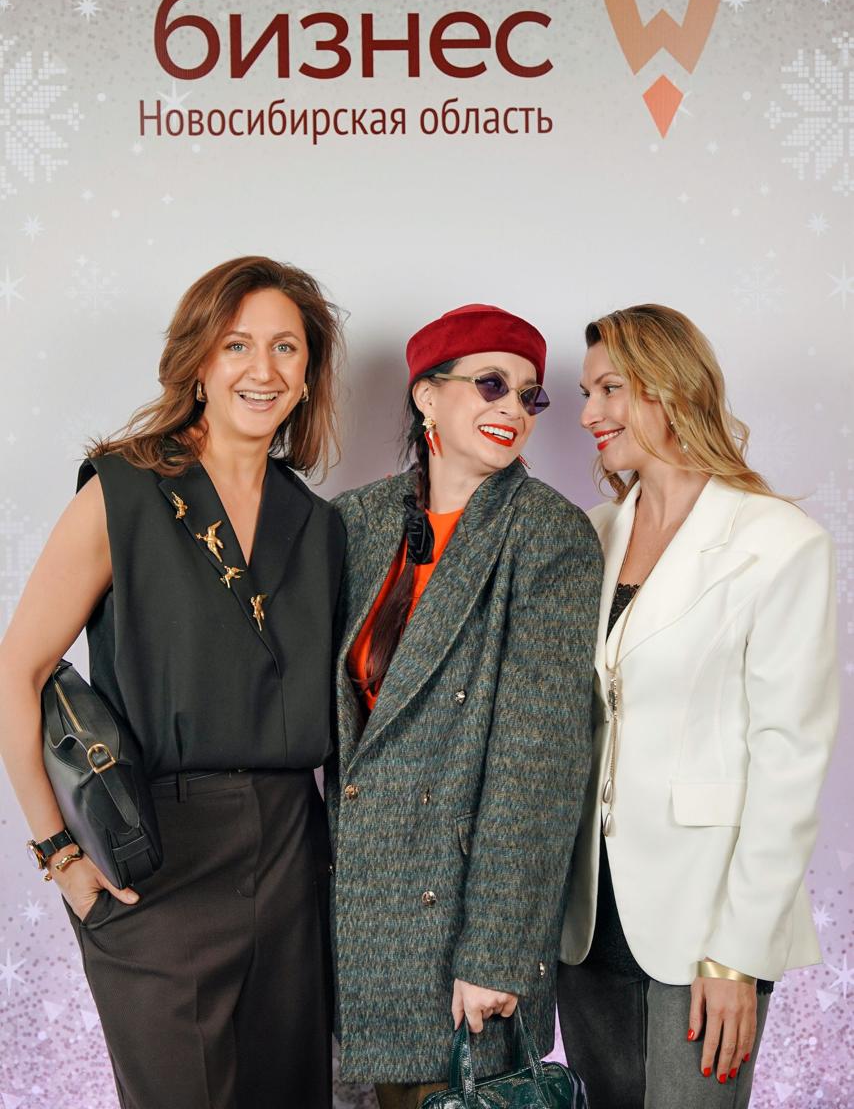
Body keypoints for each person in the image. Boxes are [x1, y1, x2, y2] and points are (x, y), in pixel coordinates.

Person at [0, 256, 346, 1109]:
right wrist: (58, 854)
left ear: (308, 375)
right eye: (237, 345)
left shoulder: (320, 524)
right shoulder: (124, 491)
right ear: (198, 363)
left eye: (286, 348)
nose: (262, 369)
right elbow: (18, 669)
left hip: (292, 853)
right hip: (158, 852)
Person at [558, 304, 839, 1109]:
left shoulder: (777, 543)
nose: (588, 413)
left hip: (705, 922)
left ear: (672, 388)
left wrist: (737, 954)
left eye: (610, 388)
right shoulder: (589, 535)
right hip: (587, 916)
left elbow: (790, 762)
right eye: (585, 393)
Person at [327, 304, 602, 1109]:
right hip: (352, 908)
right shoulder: (356, 522)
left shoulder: (547, 534)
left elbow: (538, 765)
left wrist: (498, 952)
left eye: (529, 395)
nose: (514, 409)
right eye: (490, 385)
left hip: (457, 923)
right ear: (426, 395)